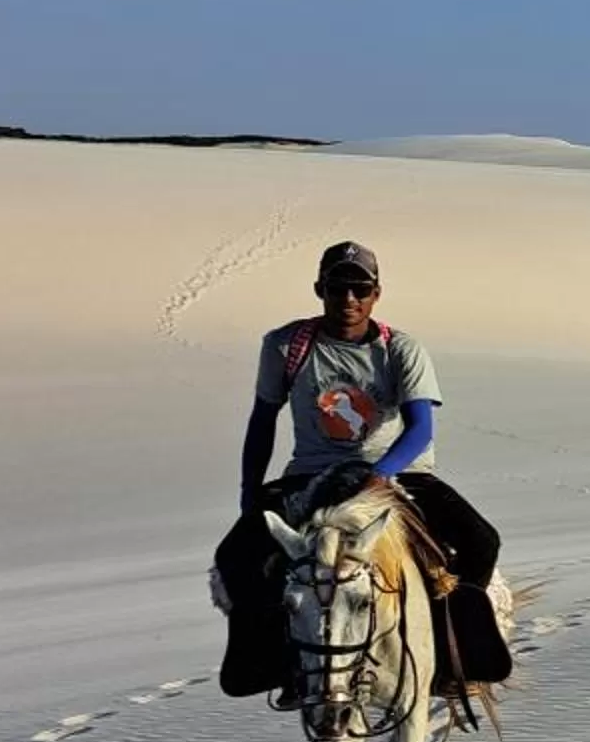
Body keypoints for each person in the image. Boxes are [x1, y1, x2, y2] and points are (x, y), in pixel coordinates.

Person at [213, 239, 512, 704]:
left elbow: (419, 430)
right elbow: (261, 420)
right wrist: (251, 492)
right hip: (310, 473)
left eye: (359, 288)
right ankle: (283, 665)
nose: (348, 299)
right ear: (320, 289)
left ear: (376, 293)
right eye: (338, 287)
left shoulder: (401, 350)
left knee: (480, 542)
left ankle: (450, 654)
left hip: (401, 475)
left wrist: (381, 474)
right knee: (237, 558)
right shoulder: (287, 346)